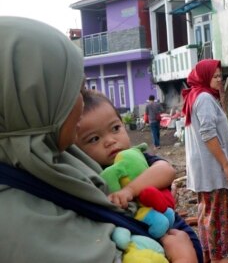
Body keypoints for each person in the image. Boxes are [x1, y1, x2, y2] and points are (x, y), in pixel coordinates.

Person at [0, 16, 197, 263]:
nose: (82, 103)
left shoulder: (58, 159)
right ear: (30, 105)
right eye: (72, 91)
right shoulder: (20, 229)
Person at [75, 89, 202, 261]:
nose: (110, 140)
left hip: (170, 227)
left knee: (193, 246)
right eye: (94, 139)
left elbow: (167, 170)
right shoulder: (92, 174)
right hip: (137, 239)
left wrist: (130, 190)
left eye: (115, 128)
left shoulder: (135, 157)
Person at [182, 59, 228, 263]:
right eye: (214, 76)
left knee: (206, 211)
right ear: (204, 76)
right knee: (216, 212)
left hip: (203, 168)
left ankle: (208, 255)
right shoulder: (205, 98)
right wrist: (225, 164)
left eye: (220, 76)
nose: (219, 80)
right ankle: (217, 257)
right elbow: (208, 134)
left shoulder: (195, 96)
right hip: (212, 167)